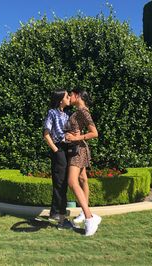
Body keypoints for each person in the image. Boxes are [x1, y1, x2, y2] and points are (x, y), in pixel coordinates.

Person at [65, 88, 102, 236]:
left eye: (71, 95)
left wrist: (75, 138)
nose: (69, 97)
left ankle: (89, 217)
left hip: (78, 149)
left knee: (72, 182)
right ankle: (85, 212)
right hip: (79, 148)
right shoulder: (79, 110)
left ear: (78, 96)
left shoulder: (83, 111)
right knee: (82, 179)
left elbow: (94, 133)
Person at [43, 89, 73, 229]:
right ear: (61, 99)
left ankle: (56, 213)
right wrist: (55, 150)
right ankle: (60, 218)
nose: (69, 98)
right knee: (60, 183)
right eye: (67, 96)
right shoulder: (52, 112)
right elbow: (46, 133)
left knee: (63, 183)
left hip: (67, 150)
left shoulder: (66, 114)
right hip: (59, 150)